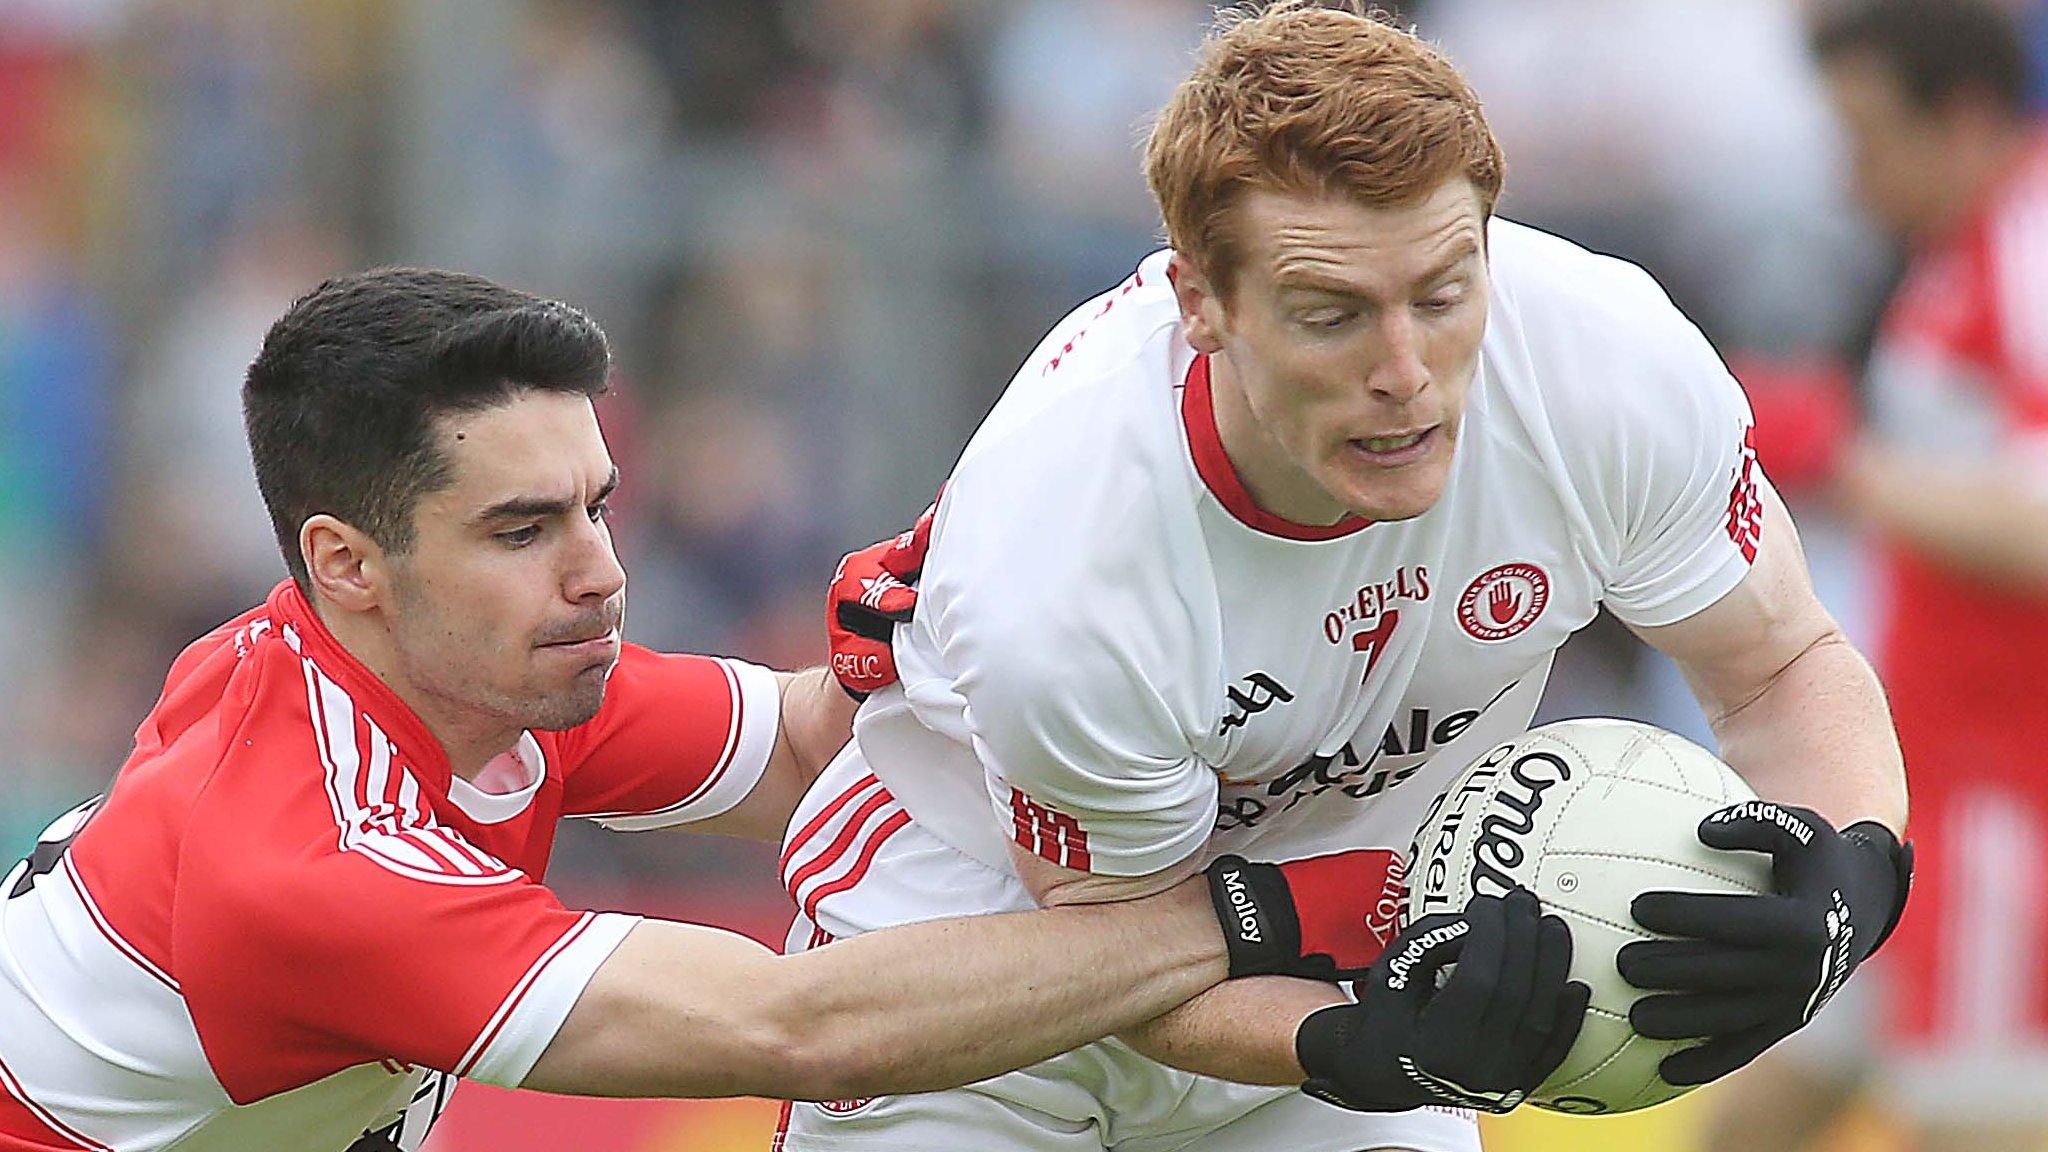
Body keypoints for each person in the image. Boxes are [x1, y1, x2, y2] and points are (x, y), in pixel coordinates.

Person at [772, 4, 1913, 1151]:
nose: (1405, 374)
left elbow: (1777, 667)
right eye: (1331, 316)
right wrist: (1350, 1042)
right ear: (1199, 303)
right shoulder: (1066, 564)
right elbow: (1122, 954)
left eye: (1442, 293)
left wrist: (1855, 872)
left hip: (1340, 981)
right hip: (985, 972)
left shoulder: (1603, 362)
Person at [0, 267, 1473, 1152]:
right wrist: (1253, 915)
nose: (601, 573)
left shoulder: (459, 676)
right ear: (347, 564)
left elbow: (798, 742)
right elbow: (799, 1029)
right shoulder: (306, 864)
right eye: (523, 531)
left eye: (598, 505)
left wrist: (951, 612)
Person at [1703, 4, 2048, 1152]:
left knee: (1972, 1127)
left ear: (1958, 118)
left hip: (2005, 808)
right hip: (1911, 788)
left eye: (1861, 139)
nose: (1846, 179)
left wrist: (1837, 452)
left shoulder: (2029, 243)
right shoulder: (1961, 249)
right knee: (1743, 1112)